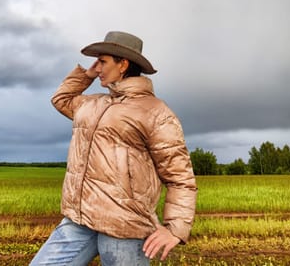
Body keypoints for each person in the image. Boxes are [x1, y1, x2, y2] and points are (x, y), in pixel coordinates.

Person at [30, 31, 197, 265]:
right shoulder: (94, 104)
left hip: (124, 226)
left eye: (103, 61)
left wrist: (176, 228)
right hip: (79, 220)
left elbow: (180, 176)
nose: (97, 68)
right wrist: (86, 75)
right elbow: (62, 99)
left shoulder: (155, 112)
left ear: (123, 64)